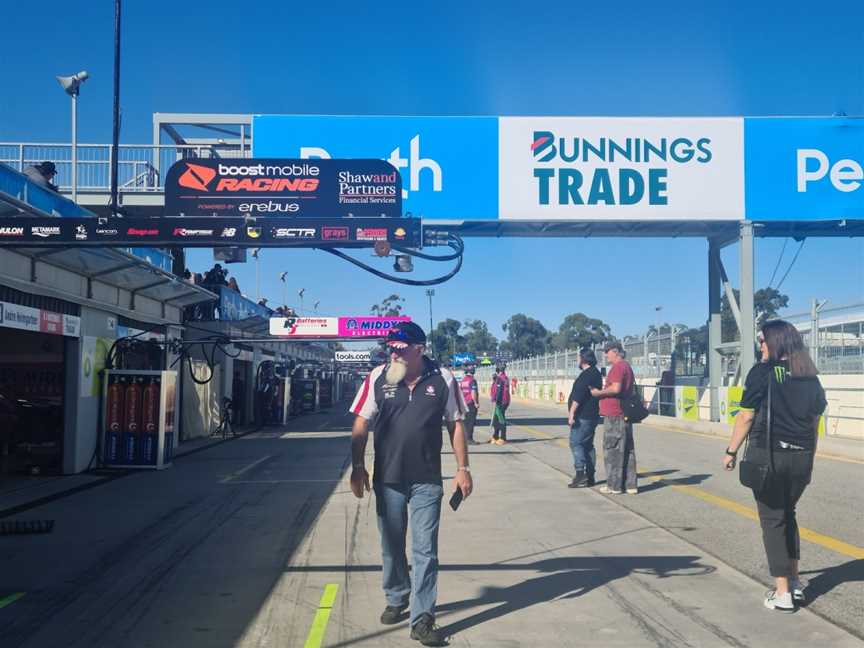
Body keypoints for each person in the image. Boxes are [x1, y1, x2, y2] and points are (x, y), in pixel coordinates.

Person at [349, 321, 472, 646]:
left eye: (400, 349)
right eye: (390, 348)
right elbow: (361, 422)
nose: (393, 353)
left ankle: (422, 618)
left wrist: (463, 468)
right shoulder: (379, 377)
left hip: (427, 480)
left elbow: (455, 424)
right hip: (387, 478)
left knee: (425, 551)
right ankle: (396, 594)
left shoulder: (443, 379)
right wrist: (358, 466)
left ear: (420, 349)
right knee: (391, 546)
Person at [722, 320, 826, 613]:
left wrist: (731, 451)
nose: (761, 346)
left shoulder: (763, 373)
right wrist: (809, 457)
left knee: (773, 520)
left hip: (768, 456)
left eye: (763, 341)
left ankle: (782, 593)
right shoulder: (809, 376)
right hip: (801, 457)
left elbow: (745, 417)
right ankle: (794, 583)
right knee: (788, 515)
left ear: (776, 342)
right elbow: (814, 422)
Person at [590, 342, 638, 494]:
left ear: (615, 352)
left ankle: (614, 485)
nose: (605, 355)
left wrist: (599, 393)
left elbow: (615, 388)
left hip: (615, 414)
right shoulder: (627, 366)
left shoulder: (617, 367)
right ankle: (630, 485)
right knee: (627, 450)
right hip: (624, 413)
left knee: (613, 449)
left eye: (607, 351)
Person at [566, 348, 603, 488]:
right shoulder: (595, 373)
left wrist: (571, 414)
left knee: (575, 443)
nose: (577, 360)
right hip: (592, 415)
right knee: (587, 445)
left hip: (583, 416)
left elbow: (578, 396)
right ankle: (590, 475)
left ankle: (580, 473)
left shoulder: (587, 375)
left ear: (583, 359)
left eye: (578, 357)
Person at [489, 364, 510, 444]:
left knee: (501, 419)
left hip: (501, 401)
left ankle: (503, 438)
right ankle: (495, 436)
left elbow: (500, 391)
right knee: (495, 419)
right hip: (500, 400)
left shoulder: (501, 379)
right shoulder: (501, 378)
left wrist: (496, 399)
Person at [459, 366, 481, 445]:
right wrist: (475, 402)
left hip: (464, 403)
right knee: (471, 421)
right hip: (471, 403)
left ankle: (464, 438)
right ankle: (469, 439)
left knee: (465, 421)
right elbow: (473, 392)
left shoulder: (463, 380)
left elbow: (460, 392)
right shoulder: (472, 381)